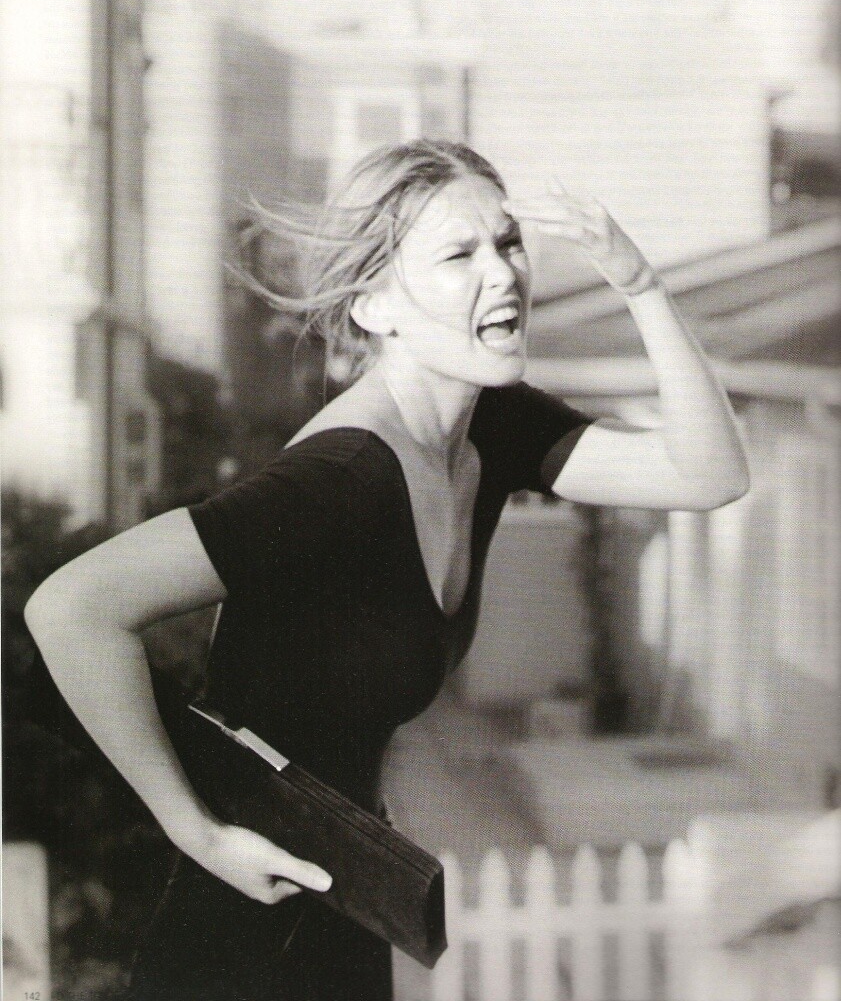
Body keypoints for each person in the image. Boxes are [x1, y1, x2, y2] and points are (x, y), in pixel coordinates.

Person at [25, 139, 750, 1000]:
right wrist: (196, 833)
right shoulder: (341, 479)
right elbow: (72, 607)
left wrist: (639, 285)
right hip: (241, 933)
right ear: (374, 306)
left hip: (342, 897)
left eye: (507, 242)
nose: (502, 273)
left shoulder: (494, 426)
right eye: (458, 255)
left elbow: (708, 474)